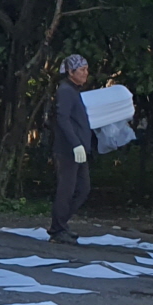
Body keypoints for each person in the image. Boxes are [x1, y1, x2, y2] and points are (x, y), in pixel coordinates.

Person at [49, 54, 94, 244]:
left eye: (86, 69)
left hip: (79, 148)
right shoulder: (66, 91)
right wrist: (75, 143)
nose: (85, 73)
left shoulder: (74, 91)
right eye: (82, 70)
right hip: (68, 150)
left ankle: (60, 225)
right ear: (70, 72)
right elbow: (63, 118)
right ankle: (58, 229)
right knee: (66, 190)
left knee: (83, 188)